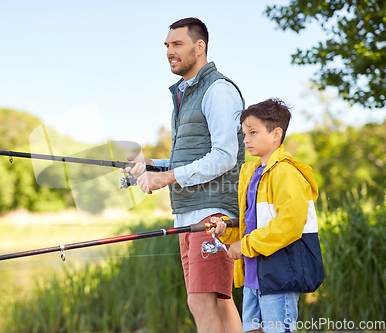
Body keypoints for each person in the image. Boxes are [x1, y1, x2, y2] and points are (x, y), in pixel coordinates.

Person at [124, 17, 244, 333]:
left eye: (177, 44)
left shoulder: (217, 90)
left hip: (213, 212)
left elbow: (224, 156)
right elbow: (189, 158)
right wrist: (152, 165)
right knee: (215, 299)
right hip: (189, 213)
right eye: (167, 46)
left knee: (204, 300)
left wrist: (165, 178)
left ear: (199, 46)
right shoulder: (184, 94)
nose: (169, 51)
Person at [208, 98, 325, 333]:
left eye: (253, 132)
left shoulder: (285, 172)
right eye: (244, 132)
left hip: (280, 275)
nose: (246, 139)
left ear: (276, 134)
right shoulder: (252, 173)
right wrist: (228, 232)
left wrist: (246, 245)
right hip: (254, 277)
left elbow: (289, 224)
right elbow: (251, 222)